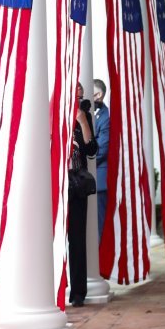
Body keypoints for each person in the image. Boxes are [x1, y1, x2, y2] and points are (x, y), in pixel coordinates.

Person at [67, 83, 97, 307]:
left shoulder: (83, 115)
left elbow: (92, 150)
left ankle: (78, 292)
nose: (80, 98)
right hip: (54, 183)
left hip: (76, 183)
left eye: (81, 95)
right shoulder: (50, 108)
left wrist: (82, 121)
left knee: (77, 238)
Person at [93, 79, 111, 241]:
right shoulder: (88, 112)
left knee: (99, 227)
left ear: (98, 95)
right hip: (87, 180)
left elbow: (102, 149)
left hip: (99, 181)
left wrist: (85, 160)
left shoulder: (105, 117)